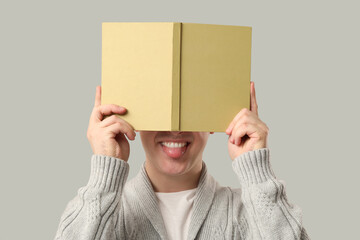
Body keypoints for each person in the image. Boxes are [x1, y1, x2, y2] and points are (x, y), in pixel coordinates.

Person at [54, 81, 310, 240]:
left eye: (191, 111)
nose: (175, 129)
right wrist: (103, 177)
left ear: (214, 122)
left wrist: (257, 173)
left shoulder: (245, 212)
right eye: (160, 112)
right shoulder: (107, 213)